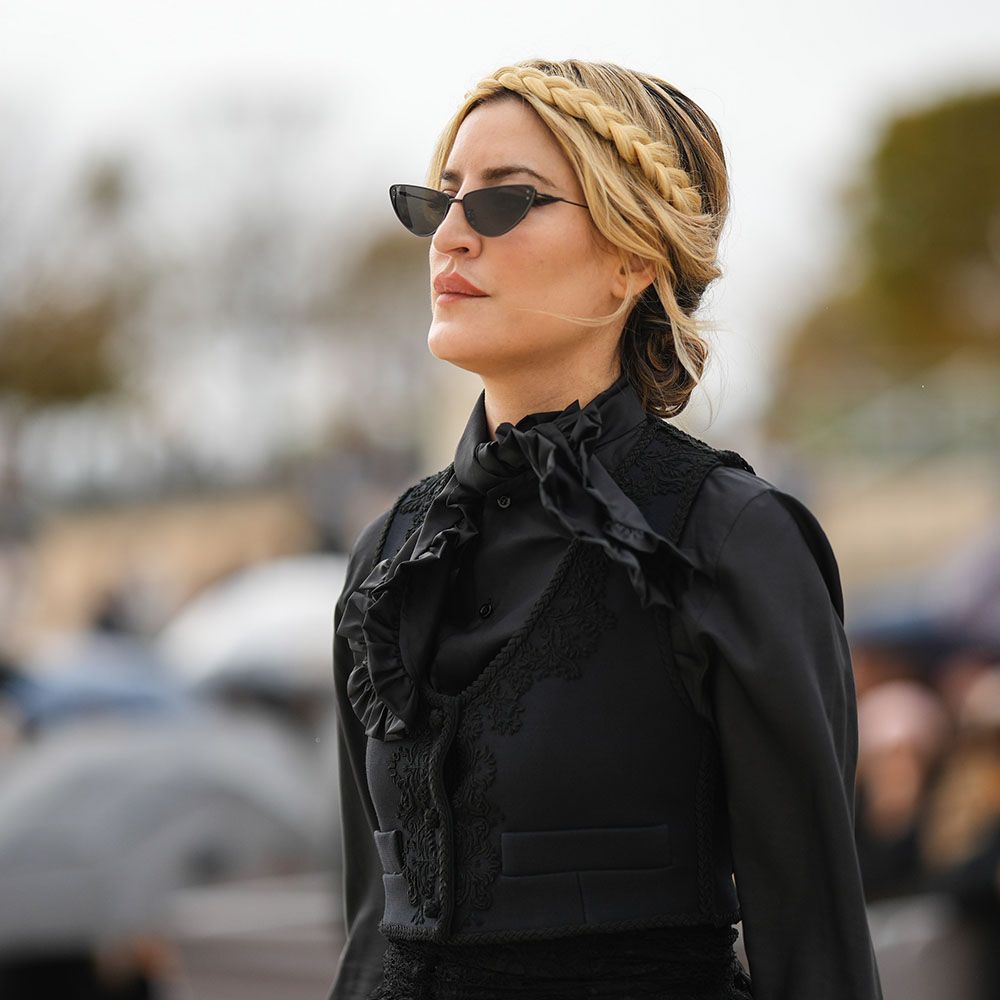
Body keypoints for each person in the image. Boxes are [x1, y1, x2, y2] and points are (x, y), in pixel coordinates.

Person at [327, 58, 884, 1000]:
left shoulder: (729, 537)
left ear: (634, 259)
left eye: (507, 204)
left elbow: (817, 948)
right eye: (443, 197)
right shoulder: (388, 557)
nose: (451, 236)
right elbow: (371, 929)